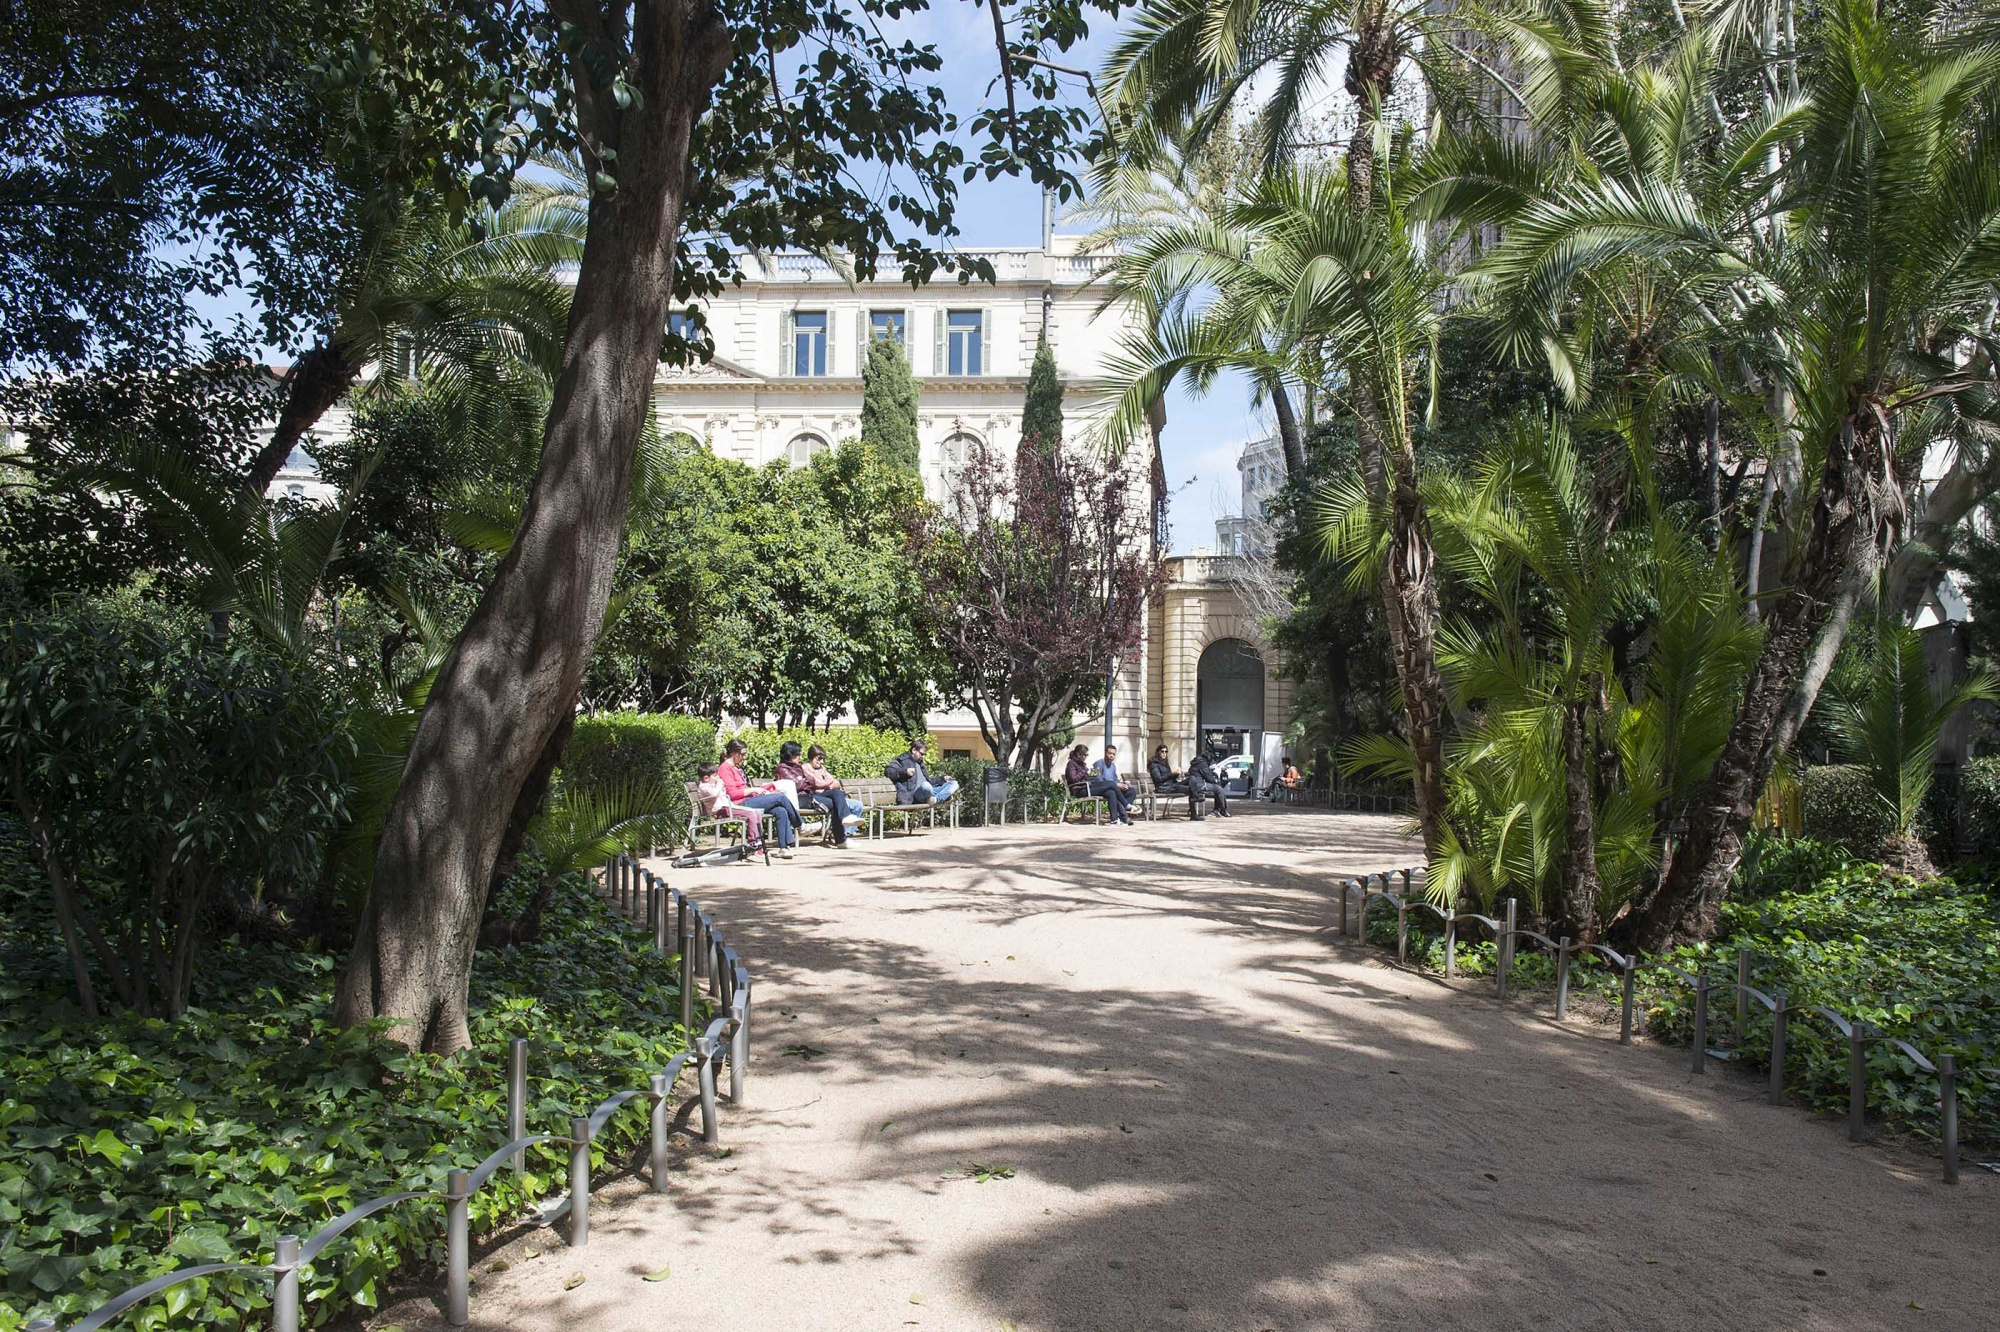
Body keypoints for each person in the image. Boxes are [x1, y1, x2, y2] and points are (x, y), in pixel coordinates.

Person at [718, 738, 800, 858]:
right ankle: (800, 825)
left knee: (780, 810)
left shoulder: (736, 767)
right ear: (734, 753)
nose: (744, 758)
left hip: (748, 800)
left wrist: (760, 792)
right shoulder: (725, 768)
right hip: (738, 804)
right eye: (743, 754)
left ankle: (784, 848)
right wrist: (754, 790)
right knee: (780, 798)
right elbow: (732, 794)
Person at [775, 740, 860, 847]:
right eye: (798, 754)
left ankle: (846, 817)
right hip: (799, 798)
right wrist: (808, 781)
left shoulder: (798, 767)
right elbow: (799, 784)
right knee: (834, 804)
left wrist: (808, 781)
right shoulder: (782, 768)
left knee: (836, 793)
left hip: (809, 795)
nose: (800, 757)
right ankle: (841, 840)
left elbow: (810, 780)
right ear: (791, 754)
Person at [694, 762, 766, 855]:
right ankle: (753, 842)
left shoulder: (711, 785)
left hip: (727, 807)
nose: (717, 778)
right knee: (751, 814)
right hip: (721, 810)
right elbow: (714, 794)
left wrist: (720, 785)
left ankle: (759, 841)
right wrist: (719, 784)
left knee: (756, 812)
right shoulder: (704, 787)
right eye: (715, 776)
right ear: (706, 778)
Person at [884, 738, 958, 805]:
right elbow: (889, 771)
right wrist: (904, 772)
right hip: (914, 795)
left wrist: (942, 779)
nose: (923, 757)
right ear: (914, 750)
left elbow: (929, 781)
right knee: (926, 786)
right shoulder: (902, 760)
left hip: (928, 791)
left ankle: (936, 799)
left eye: (924, 755)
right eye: (921, 754)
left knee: (954, 783)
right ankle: (942, 798)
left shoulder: (920, 763)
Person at [1148, 744, 1211, 821]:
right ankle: (1194, 812)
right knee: (1191, 789)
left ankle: (1194, 798)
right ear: (1158, 752)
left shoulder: (1165, 762)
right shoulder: (1154, 764)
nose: (1164, 753)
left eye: (1166, 751)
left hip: (1172, 785)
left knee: (1192, 777)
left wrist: (1176, 774)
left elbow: (1169, 778)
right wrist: (1171, 773)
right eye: (1162, 751)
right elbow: (1158, 779)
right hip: (1163, 788)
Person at [1090, 744, 1137, 825]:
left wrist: (1121, 784)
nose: (1111, 756)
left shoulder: (1113, 766)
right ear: (1105, 753)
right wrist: (1116, 785)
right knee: (1113, 793)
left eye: (1113, 754)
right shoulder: (1098, 764)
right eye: (1109, 753)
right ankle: (1124, 815)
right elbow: (1098, 780)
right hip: (1102, 789)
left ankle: (1124, 811)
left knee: (1132, 791)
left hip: (1114, 788)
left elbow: (1115, 779)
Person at [1188, 746, 1231, 818]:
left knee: (1217, 787)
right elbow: (1208, 776)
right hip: (1200, 785)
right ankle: (1223, 810)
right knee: (1219, 789)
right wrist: (1215, 781)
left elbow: (1205, 773)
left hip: (1195, 784)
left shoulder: (1196, 762)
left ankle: (1217, 810)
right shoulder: (1202, 763)